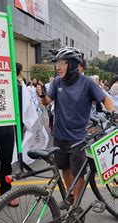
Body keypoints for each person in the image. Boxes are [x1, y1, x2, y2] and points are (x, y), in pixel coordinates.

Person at [36, 46, 115, 207]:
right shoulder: (57, 82)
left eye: (62, 63)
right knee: (64, 168)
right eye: (56, 63)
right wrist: (43, 95)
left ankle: (76, 205)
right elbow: (47, 102)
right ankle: (70, 195)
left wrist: (113, 112)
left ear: (72, 64)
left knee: (77, 173)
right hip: (59, 135)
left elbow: (105, 99)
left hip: (78, 138)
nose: (58, 67)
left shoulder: (87, 83)